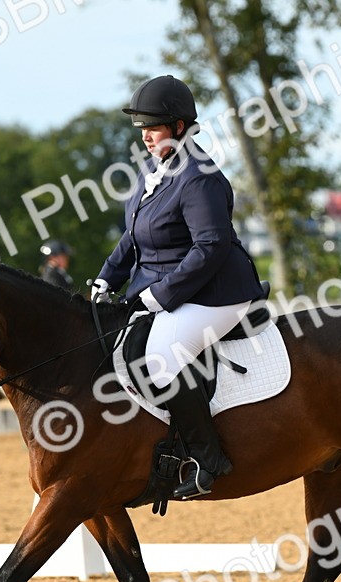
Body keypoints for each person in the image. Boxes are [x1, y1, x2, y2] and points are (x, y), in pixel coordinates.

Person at [92, 74, 263, 500]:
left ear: (180, 127)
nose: (146, 136)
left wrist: (160, 295)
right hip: (169, 286)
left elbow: (211, 245)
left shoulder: (199, 176)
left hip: (217, 292)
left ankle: (209, 458)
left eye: (153, 127)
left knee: (161, 352)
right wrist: (107, 276)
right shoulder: (153, 169)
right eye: (142, 129)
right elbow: (134, 234)